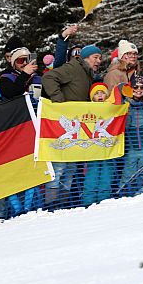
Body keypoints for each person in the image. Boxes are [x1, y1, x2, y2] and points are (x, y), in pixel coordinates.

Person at [41, 44, 101, 207]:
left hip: (77, 127)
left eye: (100, 58)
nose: (98, 61)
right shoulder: (73, 67)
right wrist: (59, 102)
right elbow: (48, 77)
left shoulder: (88, 73)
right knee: (59, 167)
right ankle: (51, 203)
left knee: (71, 168)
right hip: (63, 125)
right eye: (95, 57)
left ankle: (64, 201)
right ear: (85, 58)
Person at [81, 82, 119, 207]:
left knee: (107, 174)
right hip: (93, 150)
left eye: (102, 93)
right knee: (92, 173)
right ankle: (88, 201)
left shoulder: (110, 107)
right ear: (92, 97)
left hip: (108, 149)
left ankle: (104, 200)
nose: (100, 95)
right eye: (97, 93)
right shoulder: (87, 109)